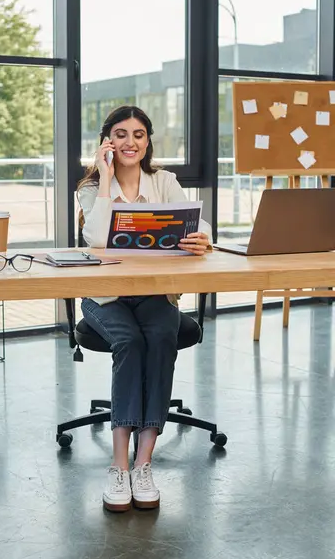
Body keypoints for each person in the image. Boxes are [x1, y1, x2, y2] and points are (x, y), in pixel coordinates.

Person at [77, 105, 211, 512]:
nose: (129, 142)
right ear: (107, 142)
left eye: (138, 134)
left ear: (147, 141)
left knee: (160, 337)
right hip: (106, 296)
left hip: (155, 293)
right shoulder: (88, 188)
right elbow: (97, 238)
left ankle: (143, 464)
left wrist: (201, 237)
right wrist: (104, 179)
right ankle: (119, 465)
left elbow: (198, 223)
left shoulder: (163, 181)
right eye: (120, 134)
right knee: (129, 342)